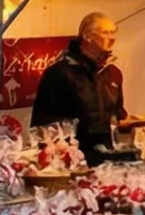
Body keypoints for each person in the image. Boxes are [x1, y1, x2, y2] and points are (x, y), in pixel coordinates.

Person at [30, 12, 129, 162]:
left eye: (113, 32)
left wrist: (132, 122)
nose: (112, 38)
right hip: (72, 161)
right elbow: (42, 123)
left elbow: (118, 115)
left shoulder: (113, 73)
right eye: (106, 32)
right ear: (87, 37)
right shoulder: (59, 73)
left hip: (108, 158)